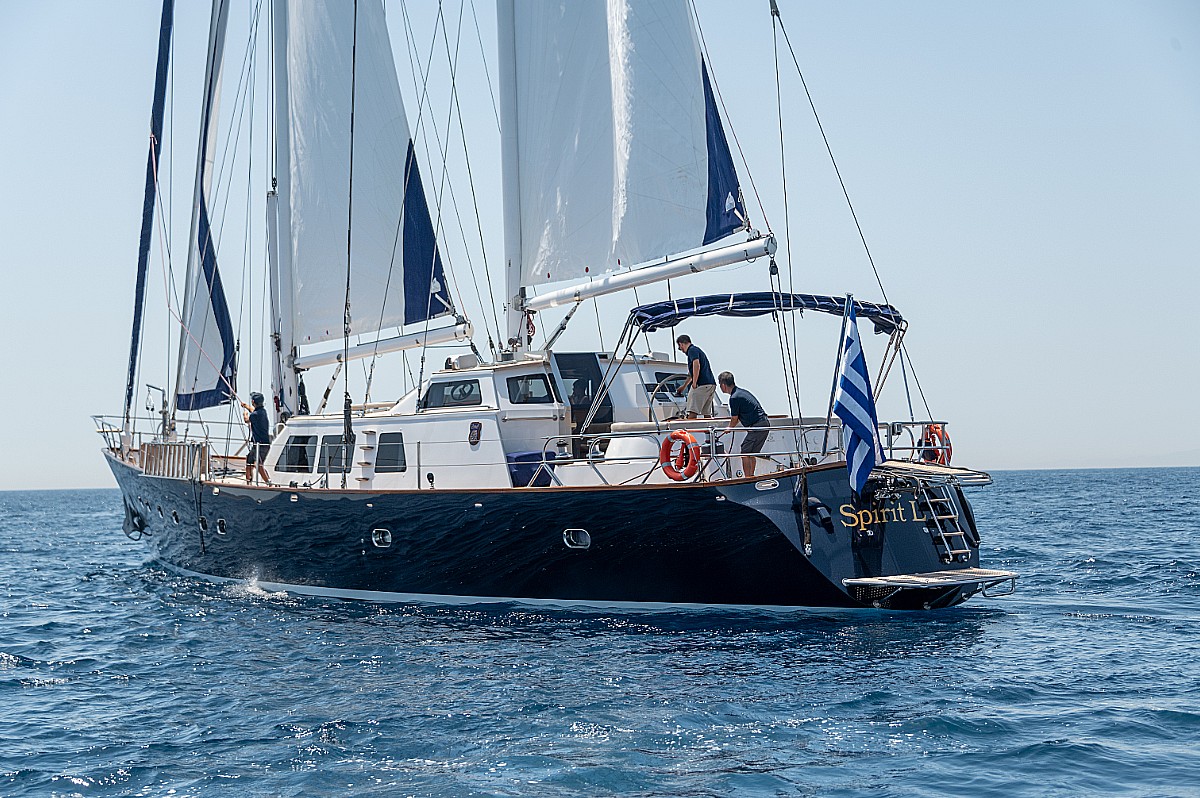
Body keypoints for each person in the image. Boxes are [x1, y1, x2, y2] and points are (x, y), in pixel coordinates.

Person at [718, 371, 770, 477]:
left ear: (723, 385)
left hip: (757, 425)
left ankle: (748, 478)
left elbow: (734, 418)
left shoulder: (734, 398)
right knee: (751, 453)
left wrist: (729, 428)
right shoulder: (741, 392)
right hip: (764, 423)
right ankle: (751, 476)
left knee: (745, 452)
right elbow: (738, 417)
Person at [674, 334, 716, 418]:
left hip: (702, 385)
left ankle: (689, 426)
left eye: (680, 347)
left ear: (681, 344)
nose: (681, 350)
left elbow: (696, 365)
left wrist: (694, 383)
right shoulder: (697, 350)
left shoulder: (692, 350)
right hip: (710, 384)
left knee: (692, 411)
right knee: (706, 413)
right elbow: (691, 373)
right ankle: (709, 427)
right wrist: (684, 387)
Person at [242, 392, 272, 485]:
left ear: (253, 402)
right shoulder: (263, 411)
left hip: (261, 444)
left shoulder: (254, 415)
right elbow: (253, 410)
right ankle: (248, 482)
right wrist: (246, 406)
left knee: (258, 464)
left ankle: (268, 482)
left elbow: (247, 420)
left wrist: (245, 414)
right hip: (259, 444)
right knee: (249, 461)